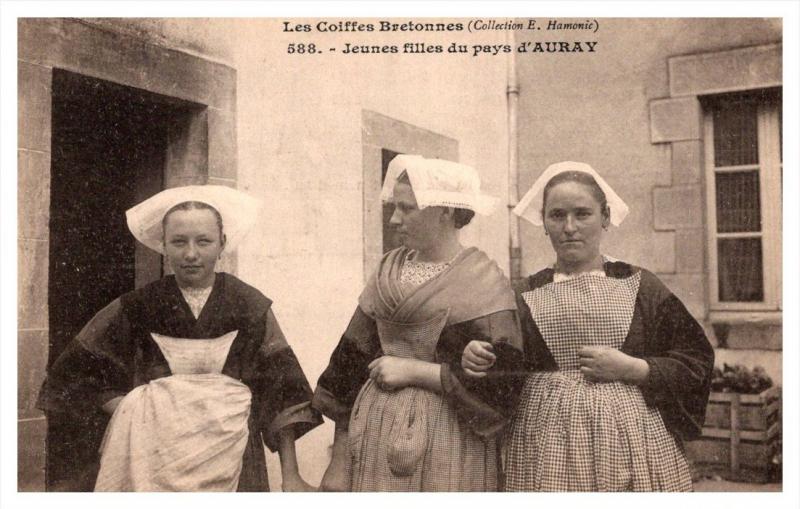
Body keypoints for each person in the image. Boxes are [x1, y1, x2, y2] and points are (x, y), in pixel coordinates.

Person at [38, 185, 322, 492]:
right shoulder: (136, 306)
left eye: (203, 241)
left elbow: (282, 389)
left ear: (222, 243)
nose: (191, 254)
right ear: (163, 244)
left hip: (235, 452)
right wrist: (132, 408)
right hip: (153, 455)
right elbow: (71, 374)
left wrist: (291, 475)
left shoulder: (249, 306)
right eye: (178, 242)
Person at [462, 161, 715, 492]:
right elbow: (503, 374)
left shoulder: (642, 286)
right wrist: (476, 356)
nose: (569, 227)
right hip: (544, 441)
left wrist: (634, 368)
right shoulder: (522, 294)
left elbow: (695, 359)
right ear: (544, 223)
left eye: (582, 214)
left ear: (605, 218)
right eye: (557, 216)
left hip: (631, 441)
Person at [313, 155, 526, 492]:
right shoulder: (387, 271)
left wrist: (421, 372)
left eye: (407, 208)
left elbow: (505, 386)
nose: (395, 219)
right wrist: (339, 459)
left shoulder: (483, 282)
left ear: (446, 211)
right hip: (374, 429)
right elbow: (348, 366)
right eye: (395, 207)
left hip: (452, 435)